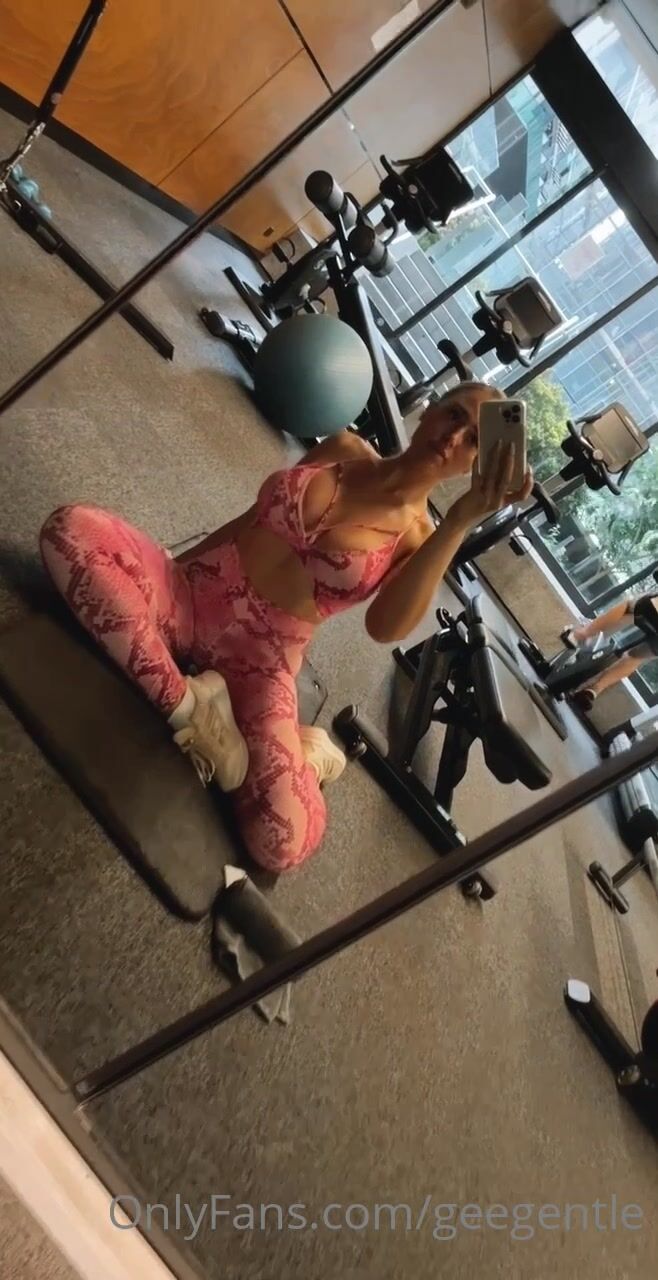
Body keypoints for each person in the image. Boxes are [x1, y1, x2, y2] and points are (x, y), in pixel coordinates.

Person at [40, 383, 531, 873]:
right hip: (190, 596)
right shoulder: (343, 449)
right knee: (71, 531)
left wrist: (459, 522)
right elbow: (251, 520)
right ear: (429, 411)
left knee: (281, 842)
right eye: (454, 415)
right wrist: (169, 569)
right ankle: (190, 711)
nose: (454, 436)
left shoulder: (419, 540)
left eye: (473, 440)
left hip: (256, 667)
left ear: (474, 465)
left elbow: (384, 629)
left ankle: (310, 755)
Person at [562, 595, 658, 712]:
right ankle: (594, 689)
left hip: (652, 608)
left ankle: (580, 635)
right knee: (638, 656)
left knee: (629, 607)